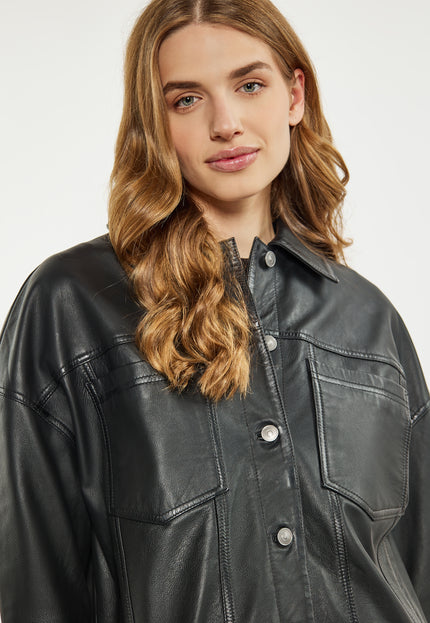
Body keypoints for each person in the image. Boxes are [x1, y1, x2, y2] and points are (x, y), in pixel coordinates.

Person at [0, 0, 428, 620]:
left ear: (294, 96)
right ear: (154, 122)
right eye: (186, 100)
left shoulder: (370, 321)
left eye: (249, 85)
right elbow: (29, 587)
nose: (226, 124)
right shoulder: (72, 305)